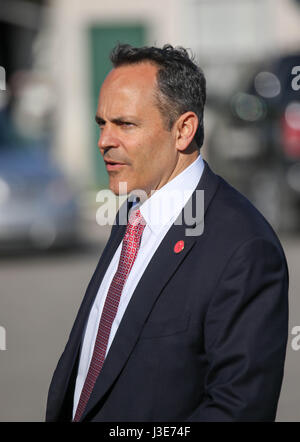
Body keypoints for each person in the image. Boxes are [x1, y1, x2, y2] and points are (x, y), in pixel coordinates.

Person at [46, 44, 289, 422]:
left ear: (183, 130)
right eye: (102, 123)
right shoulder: (132, 212)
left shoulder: (244, 248)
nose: (104, 141)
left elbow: (239, 409)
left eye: (125, 124)